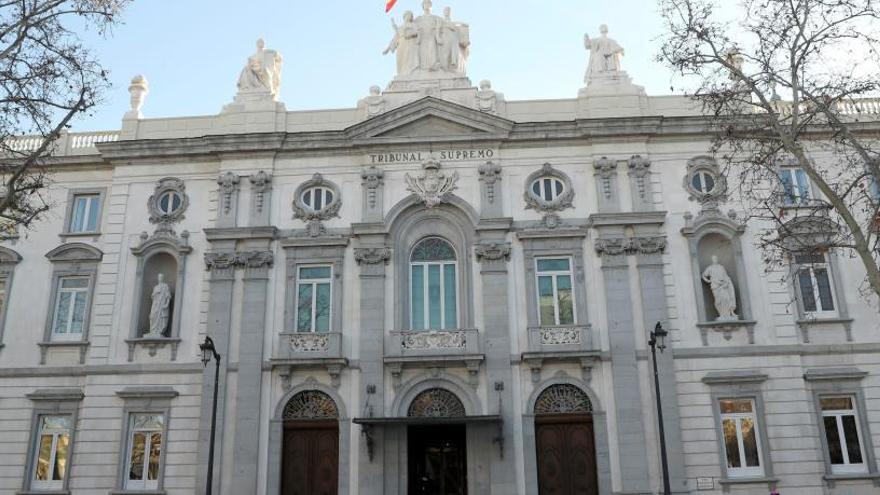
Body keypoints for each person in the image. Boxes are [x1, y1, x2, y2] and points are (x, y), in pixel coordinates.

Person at [701, 255, 738, 320]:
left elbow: (725, 276)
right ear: (712, 260)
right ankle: (721, 314)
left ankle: (729, 314)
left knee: (727, 298)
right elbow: (703, 275)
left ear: (717, 259)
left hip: (723, 285)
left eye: (716, 258)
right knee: (718, 300)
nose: (715, 259)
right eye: (713, 258)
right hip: (715, 286)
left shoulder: (721, 267)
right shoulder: (710, 268)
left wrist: (727, 282)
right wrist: (708, 281)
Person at [384, 11, 420, 75]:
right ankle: (402, 73)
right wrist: (387, 49)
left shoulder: (413, 25)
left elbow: (417, 32)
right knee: (401, 59)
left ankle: (411, 72)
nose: (409, 17)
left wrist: (409, 34)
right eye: (407, 15)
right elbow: (395, 38)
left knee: (409, 57)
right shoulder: (400, 27)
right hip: (401, 44)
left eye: (410, 15)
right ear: (404, 17)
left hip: (410, 42)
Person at [146, 273, 172, 337]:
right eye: (159, 277)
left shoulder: (165, 286)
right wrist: (155, 294)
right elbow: (152, 296)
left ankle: (159, 331)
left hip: (161, 304)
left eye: (161, 277)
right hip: (155, 304)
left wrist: (166, 304)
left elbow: (168, 296)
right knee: (152, 316)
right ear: (158, 278)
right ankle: (152, 331)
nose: (160, 278)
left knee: (160, 317)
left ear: (163, 278)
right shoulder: (155, 287)